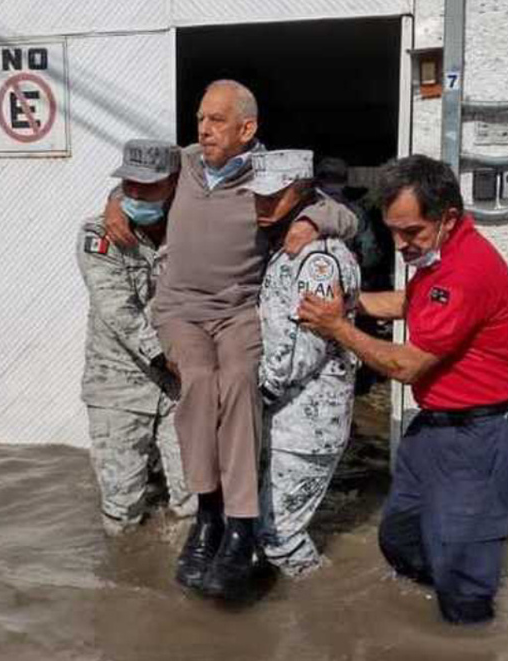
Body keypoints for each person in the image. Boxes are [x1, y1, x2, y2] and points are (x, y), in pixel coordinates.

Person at [101, 80, 356, 600]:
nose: (203, 128)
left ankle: (242, 526)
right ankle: (208, 516)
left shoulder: (270, 177)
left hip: (238, 311)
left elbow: (344, 215)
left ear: (247, 129)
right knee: (198, 381)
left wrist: (310, 219)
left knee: (239, 382)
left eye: (216, 120)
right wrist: (111, 202)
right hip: (181, 312)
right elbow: (137, 186)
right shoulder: (185, 163)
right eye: (200, 117)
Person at [296, 154, 508, 624]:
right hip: (435, 428)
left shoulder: (467, 270)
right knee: (400, 538)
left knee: (463, 572)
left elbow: (404, 366)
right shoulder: (437, 258)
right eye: (392, 231)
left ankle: (467, 632)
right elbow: (408, 302)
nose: (400, 245)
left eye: (412, 232)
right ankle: (424, 620)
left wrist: (338, 327)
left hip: (480, 434)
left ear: (449, 218)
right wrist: (350, 302)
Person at [248, 150, 361, 578]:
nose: (260, 205)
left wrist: (258, 393)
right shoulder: (287, 246)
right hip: (291, 420)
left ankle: (327, 607)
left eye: (270, 197)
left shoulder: (316, 258)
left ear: (299, 193)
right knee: (272, 526)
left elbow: (306, 344)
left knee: (281, 537)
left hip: (305, 422)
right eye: (255, 197)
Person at [77, 139, 193, 536]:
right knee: (122, 510)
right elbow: (117, 310)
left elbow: (220, 154)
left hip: (179, 388)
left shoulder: (192, 228)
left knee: (192, 499)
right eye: (128, 185)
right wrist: (165, 356)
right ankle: (121, 584)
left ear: (175, 183)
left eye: (150, 186)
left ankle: (179, 591)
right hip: (119, 390)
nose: (137, 194)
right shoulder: (99, 234)